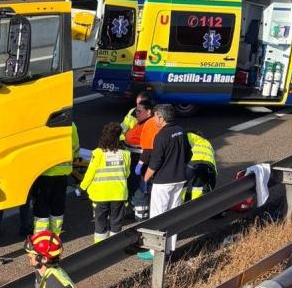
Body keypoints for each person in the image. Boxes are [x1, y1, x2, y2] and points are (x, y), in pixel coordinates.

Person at [137, 104, 191, 260]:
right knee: (173, 215)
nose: (154, 119)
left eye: (155, 117)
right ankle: (169, 249)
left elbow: (155, 162)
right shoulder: (180, 130)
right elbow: (188, 153)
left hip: (163, 182)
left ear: (161, 117)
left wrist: (145, 178)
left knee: (158, 216)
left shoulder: (161, 136)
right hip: (179, 179)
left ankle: (155, 252)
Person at [79, 123, 130, 243]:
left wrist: (82, 187)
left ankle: (100, 248)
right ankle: (115, 246)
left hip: (100, 195)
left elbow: (90, 174)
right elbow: (127, 173)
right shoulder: (126, 154)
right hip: (119, 194)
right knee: (116, 222)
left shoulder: (98, 153)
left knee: (100, 222)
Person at [30, 124, 80, 236]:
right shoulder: (71, 125)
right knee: (57, 206)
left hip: (43, 172)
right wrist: (74, 157)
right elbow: (75, 146)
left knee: (42, 206)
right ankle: (55, 235)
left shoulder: (40, 122)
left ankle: (41, 237)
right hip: (62, 172)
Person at [185, 130, 217, 201]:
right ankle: (196, 204)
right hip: (209, 166)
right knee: (198, 188)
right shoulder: (207, 142)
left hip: (192, 164)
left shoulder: (188, 136)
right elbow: (212, 159)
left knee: (182, 185)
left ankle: (181, 205)